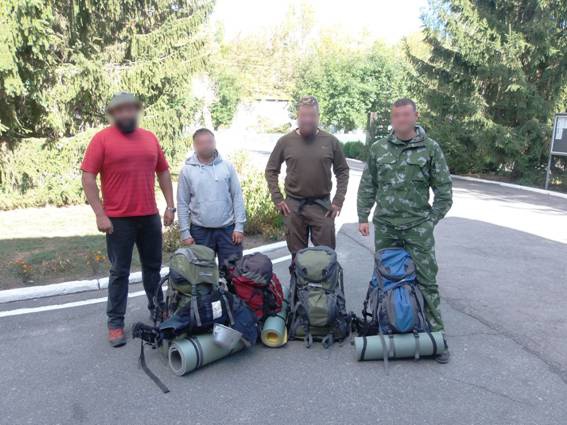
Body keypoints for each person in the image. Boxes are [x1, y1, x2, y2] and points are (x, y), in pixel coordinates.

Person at [357, 98, 453, 363]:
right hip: (386, 226)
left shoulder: (430, 149)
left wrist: (429, 221)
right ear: (392, 118)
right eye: (396, 115)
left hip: (416, 228)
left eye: (405, 115)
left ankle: (436, 336)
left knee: (427, 280)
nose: (400, 120)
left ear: (415, 116)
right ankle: (383, 323)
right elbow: (368, 185)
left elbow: (444, 192)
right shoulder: (379, 149)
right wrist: (363, 215)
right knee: (383, 277)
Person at [81, 92, 175, 348]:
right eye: (120, 110)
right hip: (118, 220)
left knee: (153, 268)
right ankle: (115, 324)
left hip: (149, 216)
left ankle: (157, 310)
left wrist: (170, 205)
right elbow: (88, 177)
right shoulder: (102, 139)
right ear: (113, 113)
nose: (126, 114)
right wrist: (100, 214)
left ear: (136, 111)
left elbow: (163, 171)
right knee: (119, 272)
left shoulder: (150, 138)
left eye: (130, 109)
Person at [265, 96, 349, 256]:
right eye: (303, 115)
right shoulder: (285, 141)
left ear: (318, 117)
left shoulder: (331, 141)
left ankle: (325, 281)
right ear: (298, 116)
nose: (307, 120)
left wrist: (338, 201)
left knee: (325, 256)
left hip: (322, 207)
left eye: (311, 115)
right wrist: (277, 198)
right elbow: (271, 170)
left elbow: (343, 171)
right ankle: (298, 282)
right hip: (293, 207)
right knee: (297, 257)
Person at [177, 128, 246, 269]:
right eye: (201, 143)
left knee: (234, 274)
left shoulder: (227, 167)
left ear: (214, 143)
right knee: (202, 276)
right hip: (200, 232)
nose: (206, 145)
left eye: (209, 141)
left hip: (228, 231)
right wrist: (185, 232)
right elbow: (182, 203)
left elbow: (237, 196)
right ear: (195, 146)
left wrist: (239, 226)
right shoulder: (187, 171)